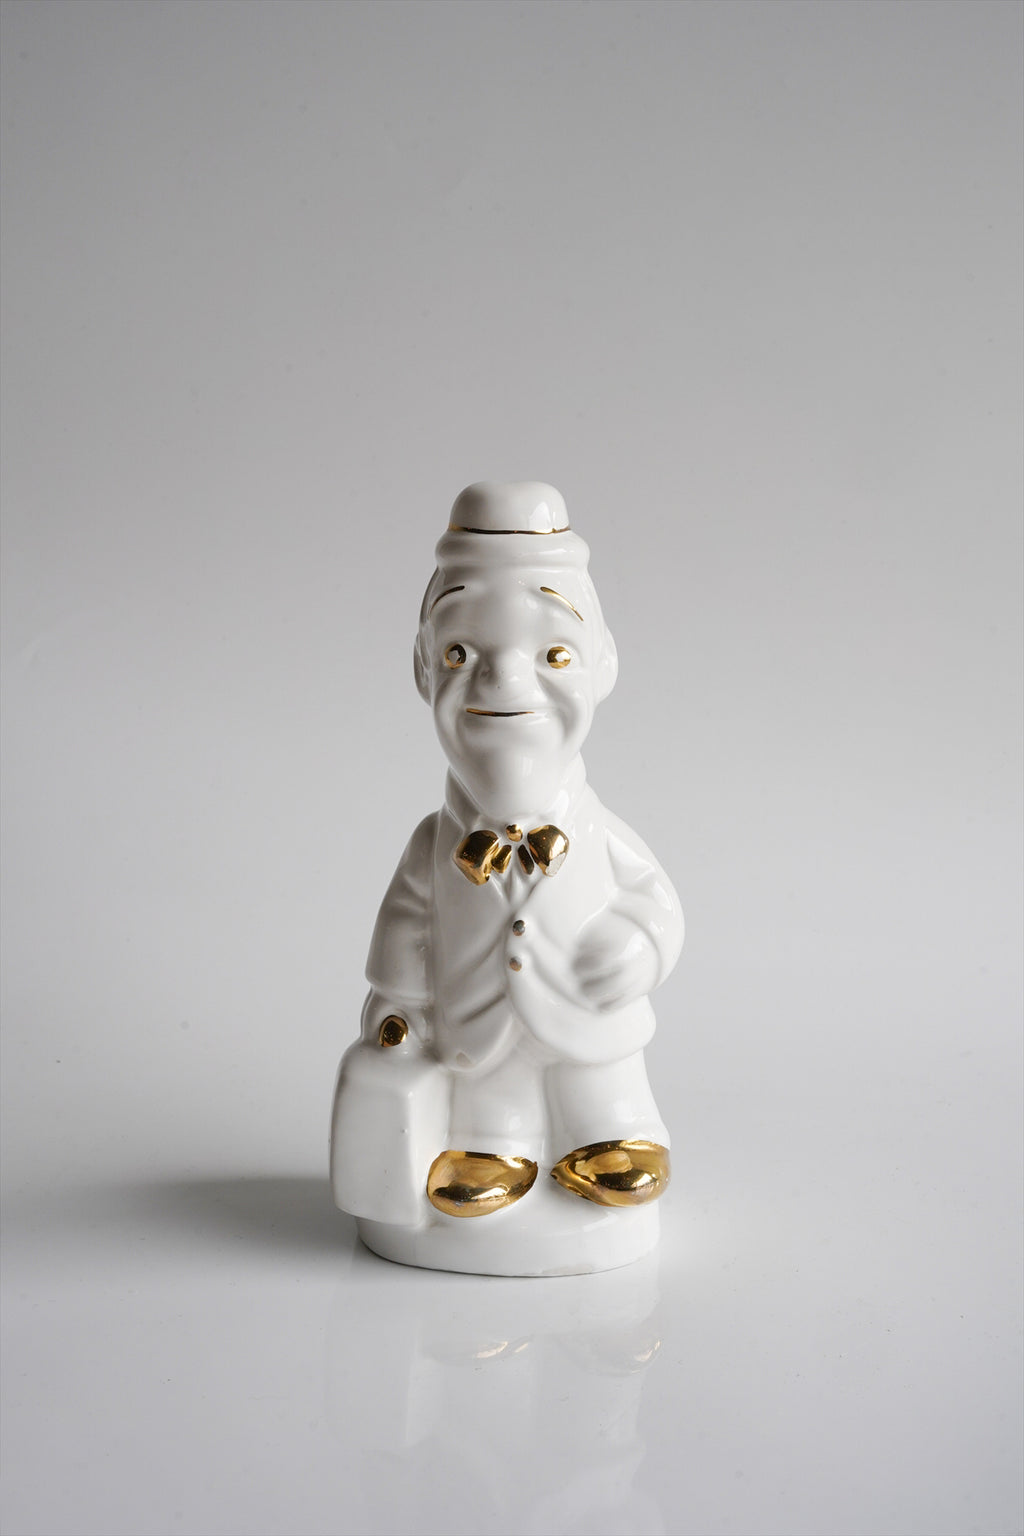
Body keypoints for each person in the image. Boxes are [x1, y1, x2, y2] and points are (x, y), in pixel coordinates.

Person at [331, 482, 684, 1274]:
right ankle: (495, 1148)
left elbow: (657, 902)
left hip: (587, 1021)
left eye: (553, 655)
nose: (504, 685)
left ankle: (614, 1135)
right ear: (422, 668)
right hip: (476, 1033)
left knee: (601, 1081)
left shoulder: (600, 834)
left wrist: (639, 943)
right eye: (461, 655)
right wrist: (396, 1005)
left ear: (604, 664)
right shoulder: (434, 846)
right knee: (492, 1094)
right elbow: (407, 921)